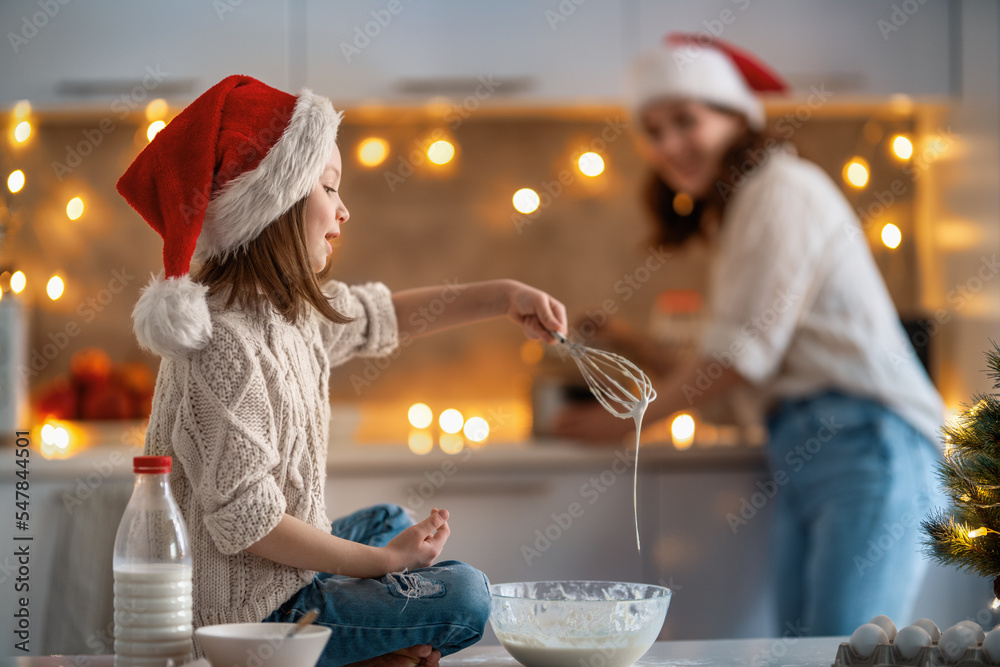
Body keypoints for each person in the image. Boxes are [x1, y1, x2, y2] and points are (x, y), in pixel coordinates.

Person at [116, 74, 568, 667]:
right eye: (329, 187)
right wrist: (387, 565)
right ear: (274, 206)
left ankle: (366, 647)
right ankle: (345, 652)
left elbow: (383, 316)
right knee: (466, 596)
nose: (343, 209)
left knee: (386, 519)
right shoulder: (226, 342)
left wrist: (503, 295)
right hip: (252, 618)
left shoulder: (286, 313)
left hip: (283, 581)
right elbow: (249, 527)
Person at [554, 35, 945, 636]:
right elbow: (738, 356)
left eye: (686, 121)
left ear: (737, 117)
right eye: (653, 131)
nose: (668, 145)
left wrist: (625, 420)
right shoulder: (750, 204)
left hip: (867, 442)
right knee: (805, 650)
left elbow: (735, 359)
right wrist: (631, 343)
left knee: (844, 651)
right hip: (816, 447)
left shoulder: (780, 190)